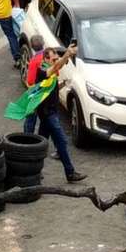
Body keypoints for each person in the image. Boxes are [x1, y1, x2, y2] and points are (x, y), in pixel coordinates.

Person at [24, 43, 85, 182]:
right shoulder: (42, 71)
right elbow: (57, 67)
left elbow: (54, 75)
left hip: (50, 113)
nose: (55, 60)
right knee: (61, 142)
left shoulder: (48, 70)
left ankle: (34, 171)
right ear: (45, 60)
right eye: (53, 59)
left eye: (56, 58)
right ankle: (69, 172)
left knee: (41, 145)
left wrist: (62, 85)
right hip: (48, 114)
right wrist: (67, 54)